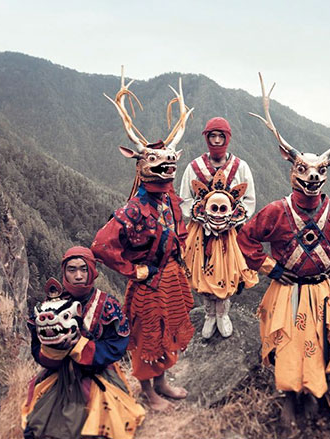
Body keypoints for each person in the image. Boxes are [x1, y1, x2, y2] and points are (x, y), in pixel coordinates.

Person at [237, 74, 330, 427]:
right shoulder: (276, 211)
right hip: (288, 289)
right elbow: (245, 237)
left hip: (325, 288)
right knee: (288, 343)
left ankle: (315, 394)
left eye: (320, 170)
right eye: (303, 169)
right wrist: (269, 268)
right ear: (291, 167)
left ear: (329, 170)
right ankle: (290, 399)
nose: (311, 176)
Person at [93, 72, 195, 411]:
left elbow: (179, 232)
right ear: (139, 163)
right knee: (148, 333)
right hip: (148, 280)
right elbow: (102, 245)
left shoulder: (168, 201)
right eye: (156, 162)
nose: (165, 167)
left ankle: (162, 381)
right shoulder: (133, 209)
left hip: (170, 276)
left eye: (168, 162)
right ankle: (148, 391)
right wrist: (132, 269)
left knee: (167, 330)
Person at [22, 247, 145, 439]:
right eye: (72, 270)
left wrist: (80, 346)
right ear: (64, 273)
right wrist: (54, 350)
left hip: (98, 371)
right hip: (60, 373)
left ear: (92, 271)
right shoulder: (50, 306)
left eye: (83, 269)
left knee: (104, 424)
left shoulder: (107, 304)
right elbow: (37, 348)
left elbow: (117, 346)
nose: (78, 276)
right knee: (39, 425)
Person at [180, 117, 258, 339]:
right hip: (201, 231)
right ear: (206, 138)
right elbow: (185, 198)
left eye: (220, 136)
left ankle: (223, 313)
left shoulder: (240, 167)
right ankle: (209, 314)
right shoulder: (194, 168)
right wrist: (202, 217)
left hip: (230, 232)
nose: (216, 140)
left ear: (227, 138)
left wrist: (231, 220)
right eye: (212, 136)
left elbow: (249, 199)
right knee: (203, 272)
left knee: (227, 271)